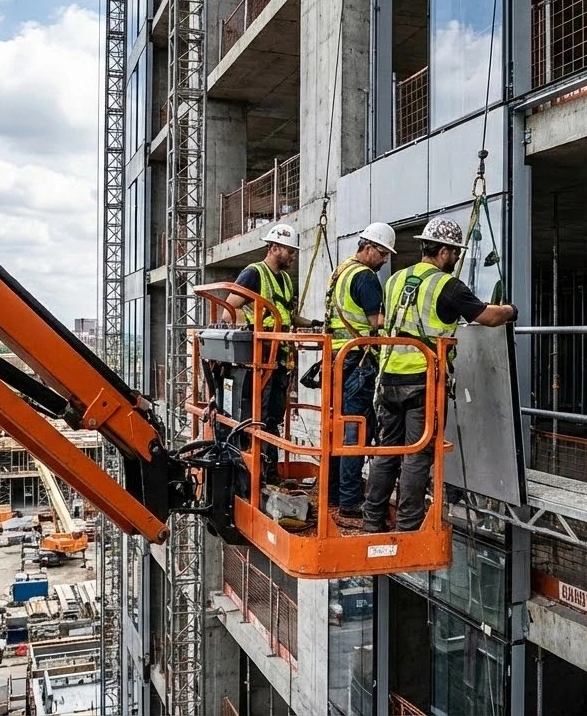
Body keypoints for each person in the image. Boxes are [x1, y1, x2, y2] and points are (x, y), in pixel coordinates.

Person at [362, 217, 517, 533]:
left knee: (386, 451)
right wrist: (511, 311)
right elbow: (487, 317)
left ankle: (371, 520)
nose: (457, 259)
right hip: (423, 382)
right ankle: (408, 527)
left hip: (389, 378)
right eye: (456, 254)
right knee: (418, 454)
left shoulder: (394, 281)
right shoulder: (447, 285)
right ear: (444, 251)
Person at [220, 223, 321, 482]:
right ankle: (255, 475)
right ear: (274, 247)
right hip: (259, 358)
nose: (293, 255)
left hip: (280, 359)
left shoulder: (285, 279)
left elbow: (287, 314)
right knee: (258, 415)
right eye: (289, 250)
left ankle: (269, 472)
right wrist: (249, 328)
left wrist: (312, 324)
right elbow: (229, 310)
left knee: (274, 415)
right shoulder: (253, 274)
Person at [323, 222, 396, 520]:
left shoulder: (341, 270)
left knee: (339, 427)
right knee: (355, 431)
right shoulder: (365, 277)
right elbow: (376, 323)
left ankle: (335, 493)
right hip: (359, 361)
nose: (384, 260)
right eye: (382, 253)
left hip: (340, 359)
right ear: (368, 248)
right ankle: (350, 500)